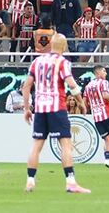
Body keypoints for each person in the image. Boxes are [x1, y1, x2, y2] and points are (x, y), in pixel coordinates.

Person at [22, 33, 89, 193]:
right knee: (65, 144)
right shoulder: (62, 62)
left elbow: (26, 86)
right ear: (64, 46)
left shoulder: (37, 61)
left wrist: (27, 108)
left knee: (36, 145)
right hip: (56, 107)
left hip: (40, 108)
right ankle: (70, 182)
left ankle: (30, 181)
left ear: (51, 44)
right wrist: (81, 102)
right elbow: (71, 84)